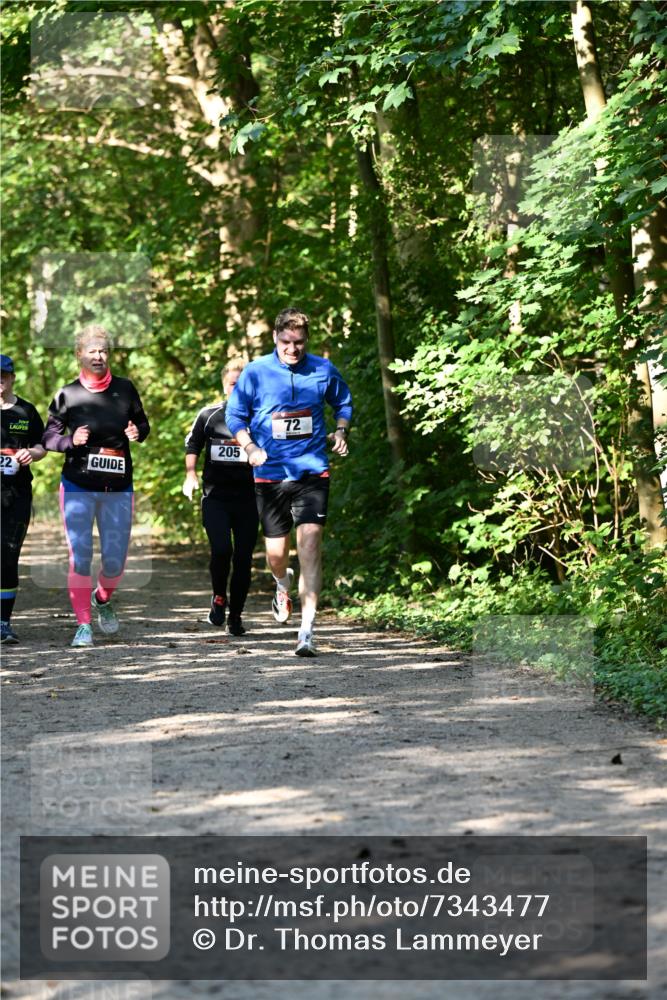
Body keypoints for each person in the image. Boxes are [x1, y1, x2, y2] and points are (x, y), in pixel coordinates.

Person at [225, 308, 352, 657]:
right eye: (286, 342)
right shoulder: (255, 373)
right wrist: (249, 446)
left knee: (310, 545)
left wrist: (341, 429)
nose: (292, 349)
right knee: (276, 555)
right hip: (269, 474)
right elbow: (234, 414)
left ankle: (307, 631)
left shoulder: (322, 370)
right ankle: (282, 583)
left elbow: (342, 401)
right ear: (275, 338)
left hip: (312, 471)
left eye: (298, 343)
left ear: (306, 341)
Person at [42, 325, 150, 648]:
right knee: (81, 556)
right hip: (77, 486)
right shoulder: (67, 394)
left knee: (115, 561)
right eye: (92, 351)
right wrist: (69, 440)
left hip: (118, 488)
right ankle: (83, 625)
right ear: (80, 355)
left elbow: (143, 424)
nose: (99, 356)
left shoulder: (125, 389)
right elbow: (48, 437)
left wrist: (137, 432)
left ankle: (101, 598)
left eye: (103, 351)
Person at [182, 361, 259, 636]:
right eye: (232, 384)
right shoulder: (209, 415)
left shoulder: (259, 416)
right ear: (224, 386)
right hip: (215, 497)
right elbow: (193, 444)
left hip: (250, 500)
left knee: (243, 558)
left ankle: (236, 615)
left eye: (243, 384)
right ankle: (218, 597)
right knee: (222, 549)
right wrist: (191, 475)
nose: (237, 389)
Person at [0, 355, 46, 644]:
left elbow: (43, 445)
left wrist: (33, 454)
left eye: (3, 375)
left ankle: (3, 622)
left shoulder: (25, 411)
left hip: (15, 495)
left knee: (6, 557)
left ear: (12, 377)